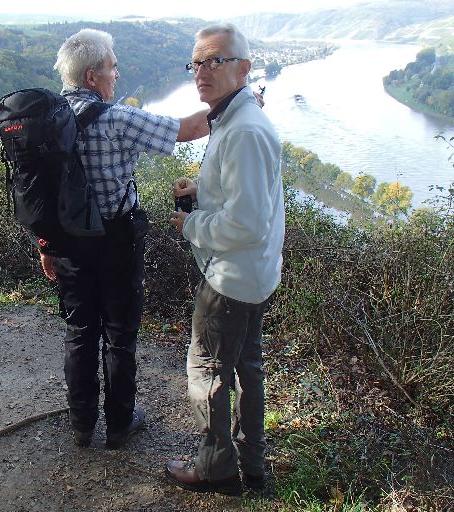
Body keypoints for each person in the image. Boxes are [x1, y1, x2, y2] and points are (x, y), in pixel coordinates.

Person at [40, 28, 210, 449]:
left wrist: (46, 246)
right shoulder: (118, 119)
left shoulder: (46, 122)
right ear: (93, 76)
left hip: (68, 244)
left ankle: (81, 424)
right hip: (116, 241)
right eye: (113, 67)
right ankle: (119, 423)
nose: (117, 74)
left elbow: (40, 192)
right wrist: (237, 102)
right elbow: (187, 128)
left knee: (79, 330)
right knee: (119, 334)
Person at [165, 23, 284, 495]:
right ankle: (252, 464)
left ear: (244, 68)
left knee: (207, 371)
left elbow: (246, 223)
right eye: (196, 63)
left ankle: (216, 469)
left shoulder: (244, 131)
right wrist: (202, 189)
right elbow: (248, 197)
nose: (202, 71)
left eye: (215, 60)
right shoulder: (235, 119)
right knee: (247, 367)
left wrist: (189, 223)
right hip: (254, 274)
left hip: (231, 279)